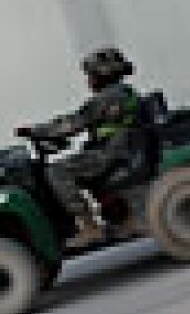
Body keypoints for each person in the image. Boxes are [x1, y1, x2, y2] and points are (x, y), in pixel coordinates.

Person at [16, 47, 142, 240]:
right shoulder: (123, 92)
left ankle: (89, 226)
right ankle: (125, 221)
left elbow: (74, 122)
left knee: (57, 171)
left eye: (91, 75)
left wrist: (36, 131)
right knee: (80, 164)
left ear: (104, 73)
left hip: (112, 152)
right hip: (120, 148)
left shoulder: (109, 96)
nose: (89, 80)